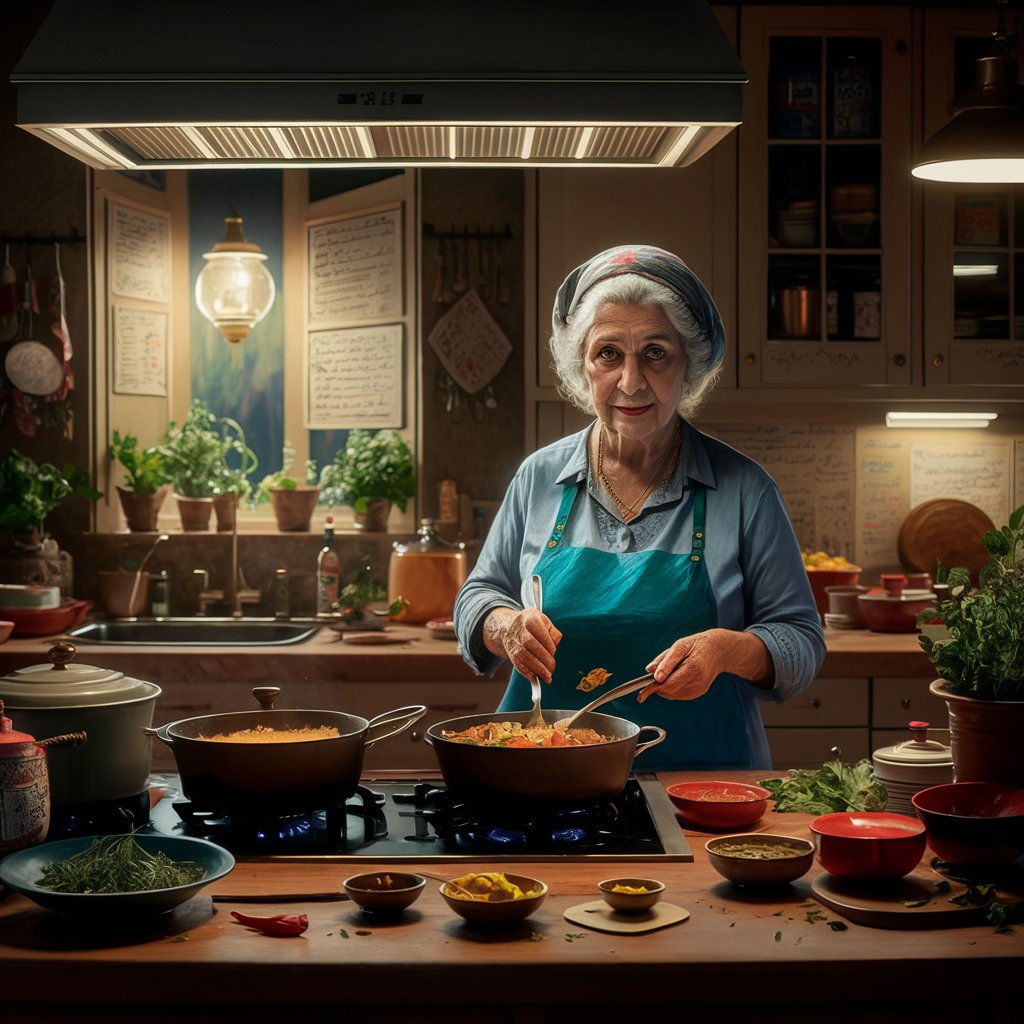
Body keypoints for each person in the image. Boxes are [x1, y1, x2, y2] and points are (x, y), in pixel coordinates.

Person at [453, 244, 826, 770]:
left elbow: (802, 641)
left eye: (656, 353)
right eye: (609, 353)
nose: (630, 381)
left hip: (699, 789)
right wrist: (503, 625)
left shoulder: (745, 490)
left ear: (688, 365)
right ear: (581, 364)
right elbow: (479, 594)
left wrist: (727, 650)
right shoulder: (538, 477)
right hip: (541, 778)